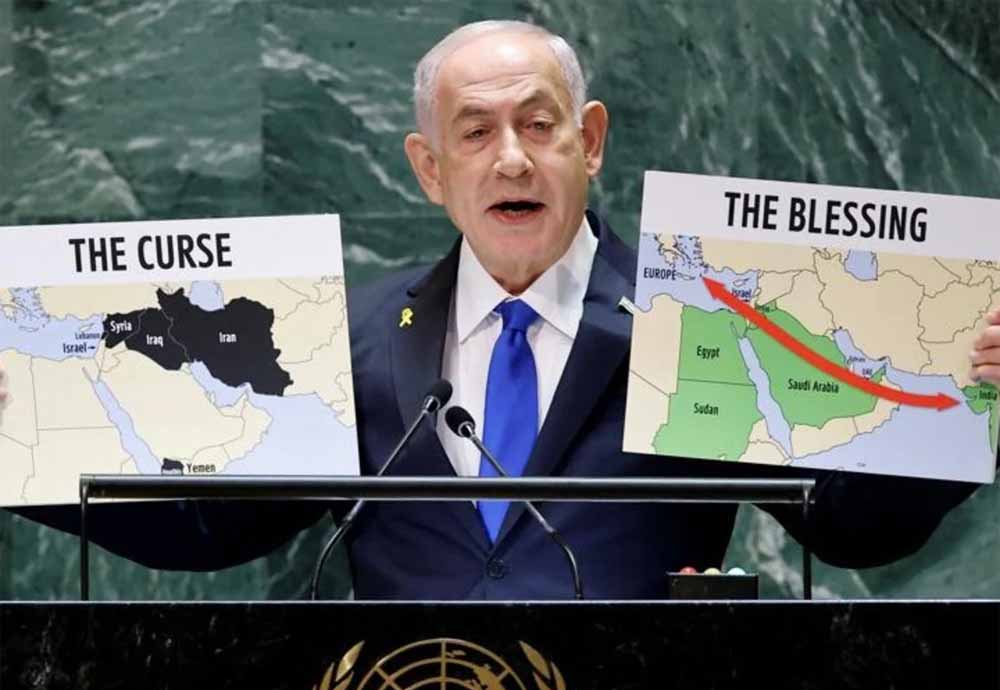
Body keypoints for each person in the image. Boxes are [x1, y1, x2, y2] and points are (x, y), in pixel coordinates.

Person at [5, 20, 1000, 598]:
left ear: (589, 142)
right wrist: (16, 444)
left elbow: (854, 530)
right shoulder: (347, 335)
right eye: (475, 132)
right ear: (430, 169)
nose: (512, 158)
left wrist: (963, 403)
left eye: (538, 123)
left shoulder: (697, 320)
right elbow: (209, 529)